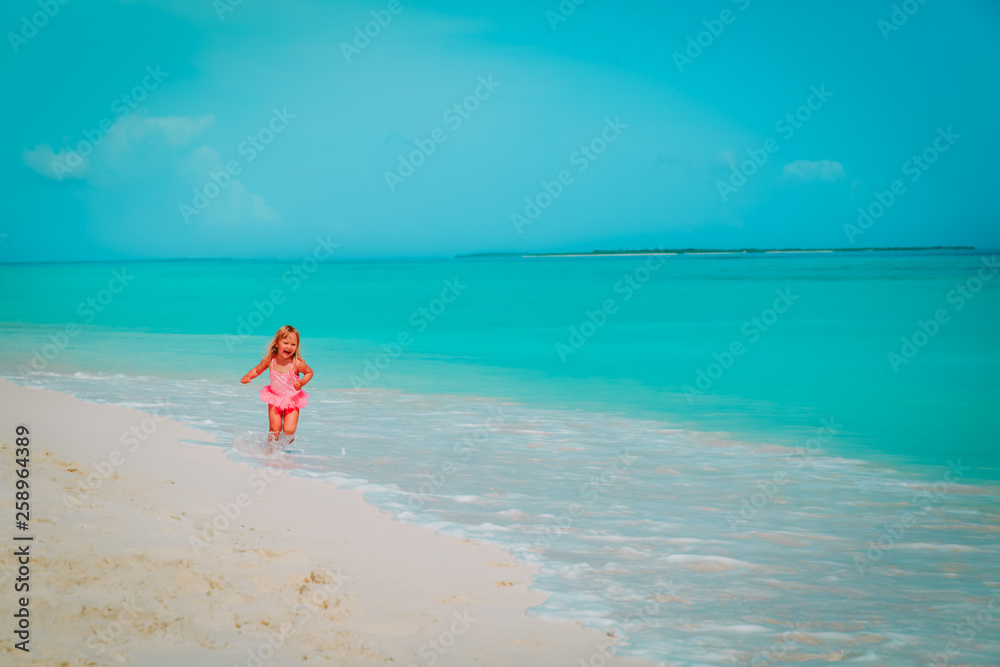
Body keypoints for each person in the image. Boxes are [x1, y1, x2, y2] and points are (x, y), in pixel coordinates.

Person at [241, 325, 313, 443]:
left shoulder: (296, 363)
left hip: (292, 399)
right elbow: (257, 370)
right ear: (276, 343)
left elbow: (309, 372)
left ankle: (287, 440)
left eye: (293, 344)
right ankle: (271, 453)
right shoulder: (270, 359)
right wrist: (248, 376)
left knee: (289, 430)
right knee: (275, 428)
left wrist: (301, 382)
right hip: (274, 397)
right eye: (285, 343)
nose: (289, 347)